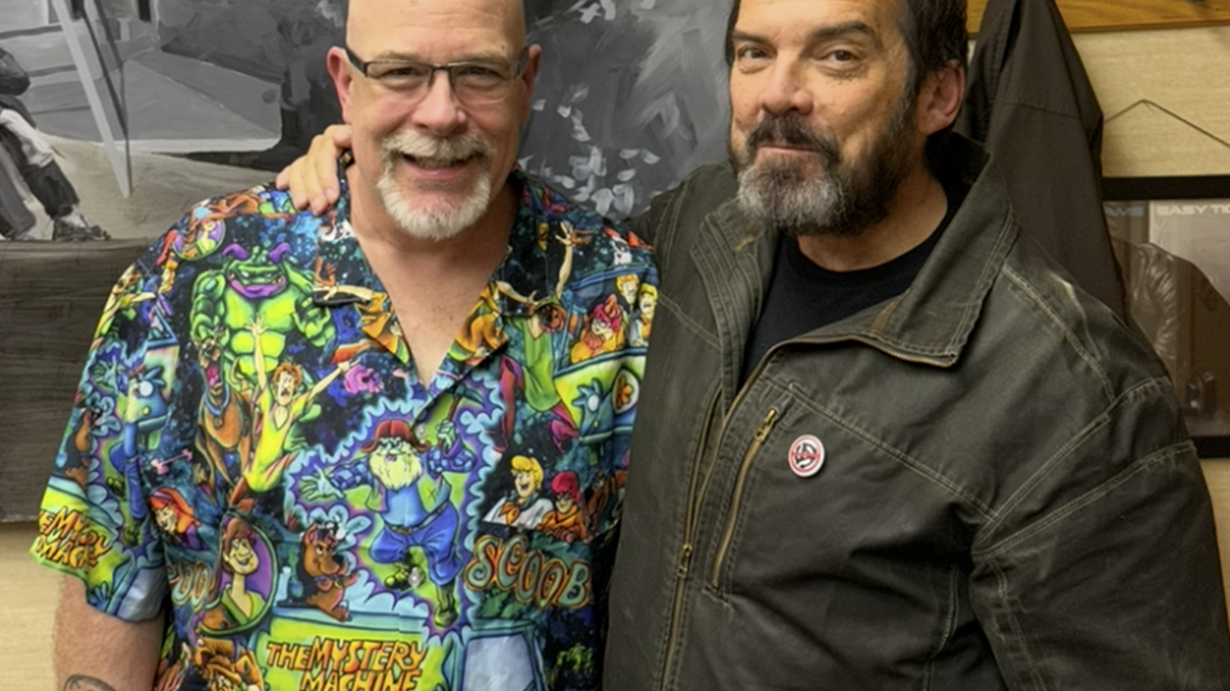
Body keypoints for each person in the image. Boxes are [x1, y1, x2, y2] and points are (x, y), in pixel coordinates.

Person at [280, 0, 1230, 688]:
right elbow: (533, 250)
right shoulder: (700, 234)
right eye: (752, 53)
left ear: (940, 93)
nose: (780, 95)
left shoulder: (1076, 400)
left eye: (838, 57)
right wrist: (380, 162)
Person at [30, 0, 655, 689]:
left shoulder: (618, 299)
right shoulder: (196, 275)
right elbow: (112, 576)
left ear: (525, 82)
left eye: (478, 73)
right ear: (347, 83)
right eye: (400, 72)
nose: (440, 113)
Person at [0, 45, 108, 241]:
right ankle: (22, 234)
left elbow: (18, 81)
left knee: (30, 151)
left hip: (6, 120)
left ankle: (69, 221)